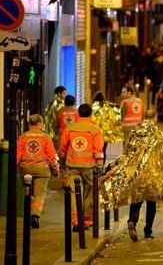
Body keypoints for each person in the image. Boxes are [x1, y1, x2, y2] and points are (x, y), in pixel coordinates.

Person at [115, 109, 163, 242]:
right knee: (151, 204)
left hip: (137, 173)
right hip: (152, 174)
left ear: (144, 118)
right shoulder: (158, 134)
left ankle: (132, 221)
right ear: (155, 118)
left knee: (136, 200)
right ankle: (148, 231)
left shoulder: (135, 133)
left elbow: (128, 152)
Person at [59, 103, 104, 232]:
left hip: (72, 165)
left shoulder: (70, 128)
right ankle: (86, 219)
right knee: (90, 191)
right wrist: (99, 166)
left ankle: (75, 221)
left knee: (73, 192)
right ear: (90, 114)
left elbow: (62, 148)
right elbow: (98, 150)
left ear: (78, 113)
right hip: (89, 166)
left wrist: (62, 164)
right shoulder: (95, 130)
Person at [17, 114, 59, 229]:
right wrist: (55, 170)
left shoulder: (23, 136)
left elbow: (18, 154)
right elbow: (51, 156)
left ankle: (28, 214)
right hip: (42, 170)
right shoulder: (45, 137)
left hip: (25, 169)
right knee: (39, 194)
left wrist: (17, 168)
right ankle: (35, 215)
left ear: (30, 124)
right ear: (40, 123)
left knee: (27, 193)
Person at [91, 91, 124, 166]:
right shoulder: (108, 107)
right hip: (104, 136)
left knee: (94, 151)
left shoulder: (92, 107)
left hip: (94, 134)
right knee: (103, 151)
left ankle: (94, 166)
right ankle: (101, 166)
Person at [120, 86, 143, 152]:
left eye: (124, 92)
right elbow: (142, 115)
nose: (122, 94)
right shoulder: (140, 101)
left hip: (127, 128)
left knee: (126, 148)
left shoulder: (125, 102)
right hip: (138, 128)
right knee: (136, 147)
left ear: (129, 92)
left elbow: (121, 116)